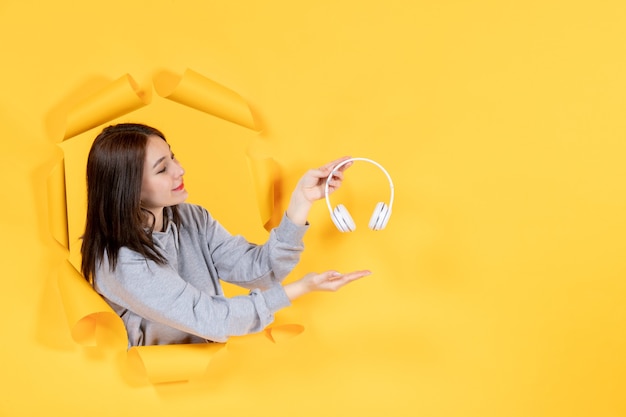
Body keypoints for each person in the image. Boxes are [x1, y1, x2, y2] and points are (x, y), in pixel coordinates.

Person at [80, 123, 370, 346]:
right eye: (162, 169)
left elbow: (262, 271)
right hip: (150, 390)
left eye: (173, 156)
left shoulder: (192, 218)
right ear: (128, 188)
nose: (180, 170)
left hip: (209, 374)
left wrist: (301, 201)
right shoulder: (121, 262)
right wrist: (302, 288)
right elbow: (211, 318)